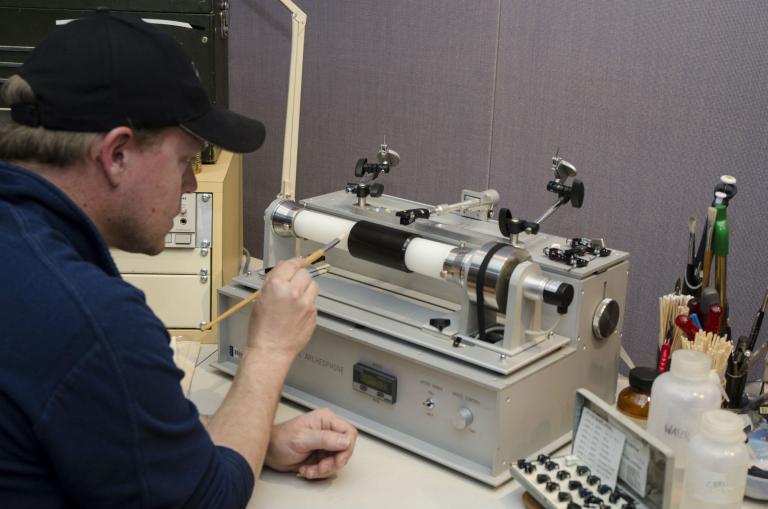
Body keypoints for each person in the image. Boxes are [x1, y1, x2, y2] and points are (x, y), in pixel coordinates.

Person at [0, 12, 357, 508]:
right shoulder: (90, 319)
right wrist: (270, 350)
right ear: (117, 153)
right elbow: (206, 501)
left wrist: (251, 440)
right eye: (185, 161)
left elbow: (107, 429)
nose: (190, 186)